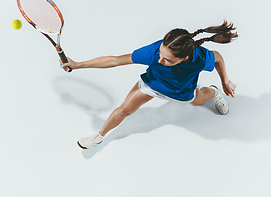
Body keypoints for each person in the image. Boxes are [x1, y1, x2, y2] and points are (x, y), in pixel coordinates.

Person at [60, 21, 238, 149]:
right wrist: (78, 65)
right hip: (152, 84)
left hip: (182, 92)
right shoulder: (152, 53)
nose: (159, 60)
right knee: (123, 110)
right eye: (161, 52)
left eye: (167, 60)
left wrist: (225, 82)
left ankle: (214, 93)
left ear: (184, 58)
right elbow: (114, 60)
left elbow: (218, 59)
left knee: (198, 100)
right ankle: (99, 136)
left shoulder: (200, 58)